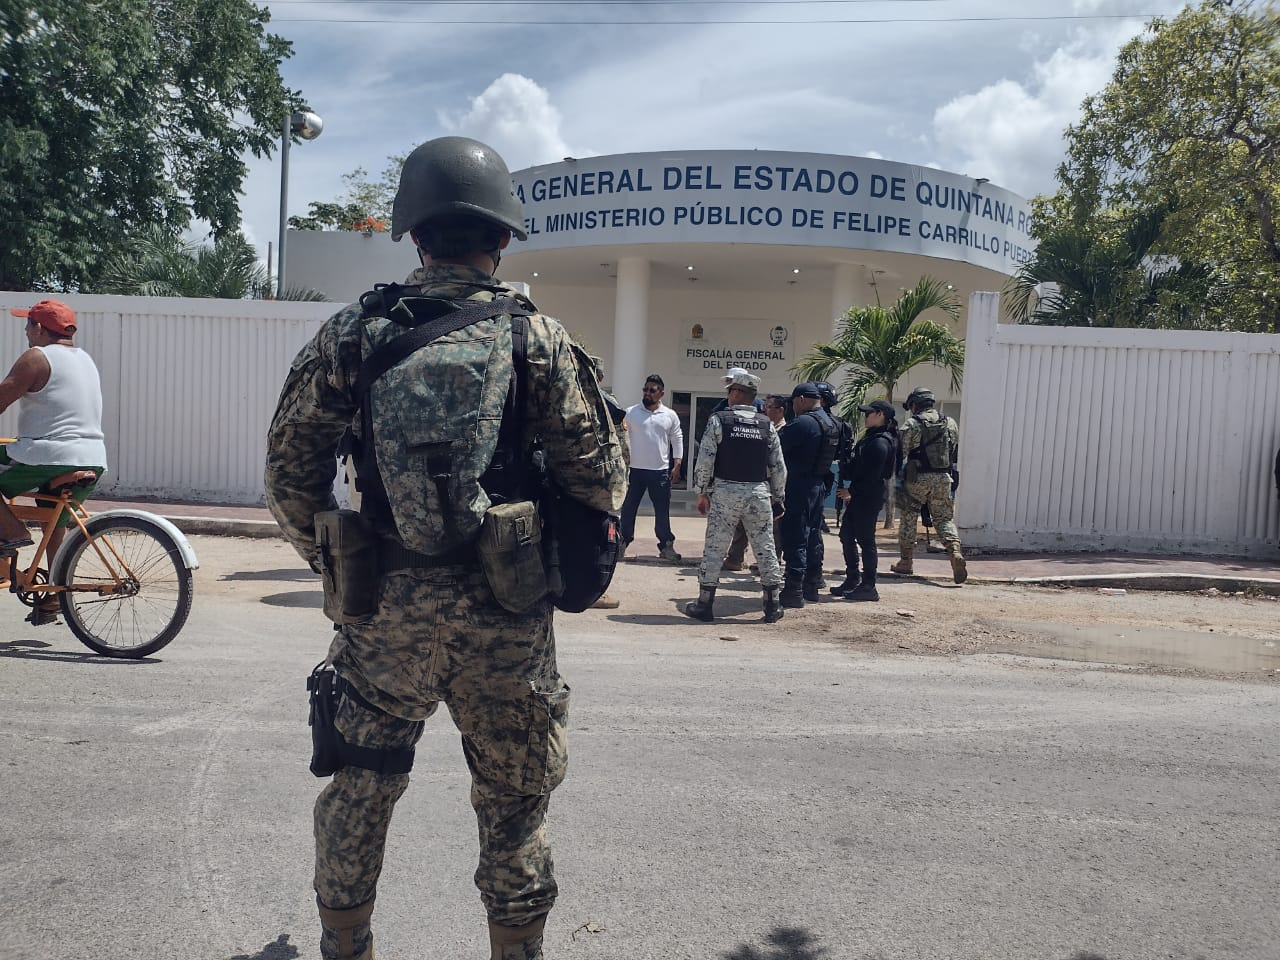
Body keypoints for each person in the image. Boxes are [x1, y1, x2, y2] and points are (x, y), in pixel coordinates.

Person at [263, 135, 626, 960]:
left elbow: (289, 471)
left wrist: (339, 562)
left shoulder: (352, 333)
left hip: (382, 616)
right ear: (501, 237)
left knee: (361, 785)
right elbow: (600, 479)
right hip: (506, 612)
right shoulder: (538, 340)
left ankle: (345, 945)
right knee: (515, 802)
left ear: (415, 234)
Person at [0, 299, 107, 625]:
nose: (25, 332)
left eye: (27, 325)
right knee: (53, 517)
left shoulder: (37, 357)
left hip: (48, 455)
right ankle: (56, 593)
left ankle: (12, 532)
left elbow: (2, 397)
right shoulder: (85, 360)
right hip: (93, 457)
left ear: (38, 328)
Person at [684, 370, 787, 623]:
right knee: (765, 548)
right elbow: (778, 466)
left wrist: (701, 491)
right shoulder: (766, 424)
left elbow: (705, 459)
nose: (728, 395)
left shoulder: (719, 420)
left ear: (738, 393)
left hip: (725, 492)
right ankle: (772, 605)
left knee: (715, 547)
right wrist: (778, 497)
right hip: (758, 493)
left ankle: (704, 604)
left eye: (730, 390)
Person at [891, 386, 966, 583]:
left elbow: (901, 452)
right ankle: (955, 552)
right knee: (944, 519)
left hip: (917, 479)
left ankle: (906, 562)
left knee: (909, 517)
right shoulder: (950, 422)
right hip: (943, 478)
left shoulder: (912, 424)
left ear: (915, 405)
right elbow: (952, 449)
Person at [778, 382, 840, 607]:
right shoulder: (832, 423)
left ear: (802, 399)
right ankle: (811, 585)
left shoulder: (802, 423)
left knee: (795, 537)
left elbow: (775, 448)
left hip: (798, 486)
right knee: (813, 536)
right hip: (818, 485)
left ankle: (793, 590)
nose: (792, 407)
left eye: (793, 402)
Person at [832, 399, 897, 601]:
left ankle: (869, 585)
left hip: (868, 497)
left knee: (865, 540)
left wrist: (851, 491)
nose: (865, 417)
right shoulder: (871, 439)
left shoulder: (880, 442)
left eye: (869, 413)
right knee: (846, 535)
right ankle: (853, 578)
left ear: (880, 415)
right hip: (861, 495)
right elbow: (858, 468)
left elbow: (872, 476)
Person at [620, 373, 684, 562]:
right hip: (634, 471)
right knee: (628, 509)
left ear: (661, 393)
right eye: (645, 389)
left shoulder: (670, 415)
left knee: (662, 510)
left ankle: (666, 545)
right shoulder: (631, 413)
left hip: (660, 471)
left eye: (652, 390)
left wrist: (677, 463)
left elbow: (677, 438)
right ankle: (622, 543)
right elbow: (621, 436)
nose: (647, 393)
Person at [713, 367, 764, 572]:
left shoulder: (757, 408)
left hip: (748, 475)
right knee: (727, 521)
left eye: (730, 383)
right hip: (729, 473)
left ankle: (736, 557)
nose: (727, 387)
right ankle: (730, 556)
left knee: (746, 522)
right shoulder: (721, 408)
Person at [588, 355, 627, 609]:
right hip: (602, 481)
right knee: (601, 535)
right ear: (601, 377)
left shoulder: (562, 395)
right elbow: (622, 446)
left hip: (567, 480)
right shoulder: (608, 403)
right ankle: (595, 591)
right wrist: (623, 479)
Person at [814, 381, 851, 535]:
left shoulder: (814, 421)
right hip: (825, 473)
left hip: (813, 475)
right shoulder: (839, 424)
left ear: (822, 400)